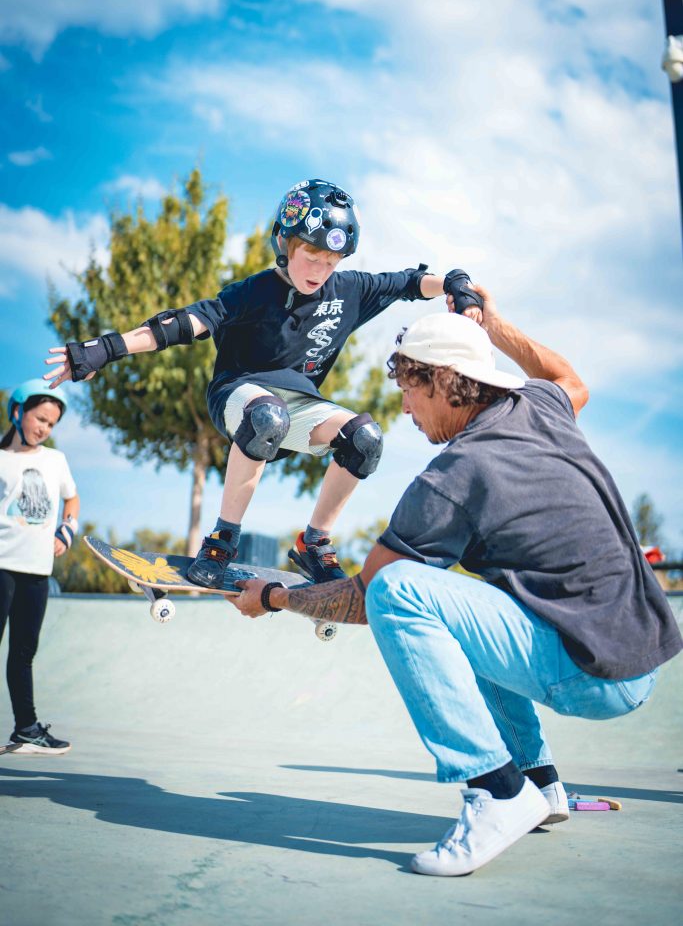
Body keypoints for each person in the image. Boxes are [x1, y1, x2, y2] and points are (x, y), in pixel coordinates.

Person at [227, 285, 682, 876]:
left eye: (411, 392)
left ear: (443, 381)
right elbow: (570, 377)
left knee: (402, 589)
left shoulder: (454, 475)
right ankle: (540, 784)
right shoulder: (542, 406)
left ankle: (496, 790)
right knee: (475, 600)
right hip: (640, 658)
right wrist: (494, 325)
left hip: (591, 676)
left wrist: (276, 597)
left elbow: (372, 597)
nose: (406, 411)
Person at [43, 178, 481, 587]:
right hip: (239, 394)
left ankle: (314, 543)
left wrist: (456, 284)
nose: (320, 270)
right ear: (285, 243)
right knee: (267, 417)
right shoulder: (251, 293)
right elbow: (179, 326)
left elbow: (408, 283)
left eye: (331, 262)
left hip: (300, 406)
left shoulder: (349, 290)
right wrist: (103, 349)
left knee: (364, 439)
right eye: (311, 257)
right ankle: (221, 542)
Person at [0, 379, 79, 754]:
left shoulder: (55, 460)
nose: (44, 428)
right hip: (1, 567)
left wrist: (67, 531)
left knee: (23, 654)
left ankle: (26, 728)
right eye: (40, 419)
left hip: (36, 572)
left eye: (51, 424)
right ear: (17, 412)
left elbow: (72, 499)